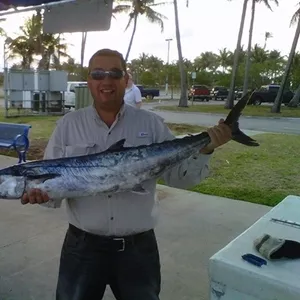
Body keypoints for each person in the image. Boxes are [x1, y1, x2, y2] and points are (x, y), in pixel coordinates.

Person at [21, 48, 232, 300]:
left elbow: (180, 178)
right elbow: (54, 188)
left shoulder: (150, 124)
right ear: (89, 80)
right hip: (82, 249)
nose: (106, 81)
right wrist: (41, 196)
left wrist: (206, 148)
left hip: (138, 250)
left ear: (126, 79)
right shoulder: (68, 125)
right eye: (98, 74)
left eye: (114, 73)